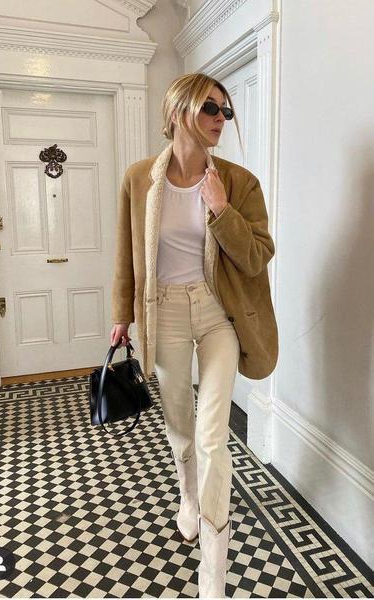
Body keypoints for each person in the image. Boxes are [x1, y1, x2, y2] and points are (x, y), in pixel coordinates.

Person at [110, 72, 278, 598]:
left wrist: (222, 209)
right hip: (163, 312)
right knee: (180, 423)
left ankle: (213, 568)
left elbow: (257, 256)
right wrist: (122, 313)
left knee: (212, 436)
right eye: (210, 107)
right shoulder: (139, 178)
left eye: (226, 111)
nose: (220, 119)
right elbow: (126, 254)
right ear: (178, 109)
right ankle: (187, 494)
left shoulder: (239, 182)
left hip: (216, 312)